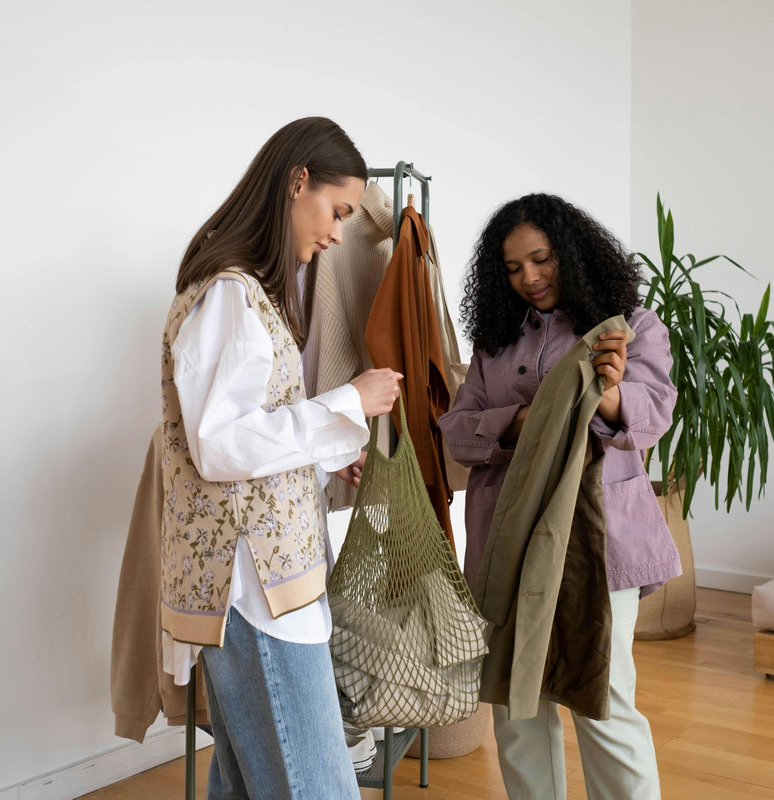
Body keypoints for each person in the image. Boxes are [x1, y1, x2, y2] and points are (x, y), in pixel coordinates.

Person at [158, 116, 401, 799]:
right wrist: (347, 402)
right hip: (255, 589)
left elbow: (247, 439)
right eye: (336, 210)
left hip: (270, 581)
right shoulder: (229, 296)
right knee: (317, 786)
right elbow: (220, 444)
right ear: (298, 182)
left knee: (249, 785)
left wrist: (324, 458)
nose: (336, 233)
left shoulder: (254, 294)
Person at [438, 193, 681, 800]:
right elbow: (458, 430)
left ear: (570, 253)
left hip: (602, 543)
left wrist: (606, 395)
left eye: (541, 260)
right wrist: (523, 422)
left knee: (604, 695)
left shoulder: (632, 328)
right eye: (513, 268)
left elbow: (652, 417)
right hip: (508, 538)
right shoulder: (496, 341)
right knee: (516, 701)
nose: (529, 278)